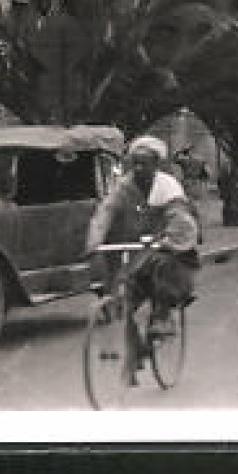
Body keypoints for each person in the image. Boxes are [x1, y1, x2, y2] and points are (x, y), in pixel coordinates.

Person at [85, 136, 200, 383]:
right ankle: (134, 350)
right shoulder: (123, 188)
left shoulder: (168, 187)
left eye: (144, 164)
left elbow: (179, 216)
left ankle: (163, 316)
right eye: (134, 163)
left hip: (166, 246)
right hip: (136, 248)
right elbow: (105, 212)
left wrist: (171, 238)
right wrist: (94, 241)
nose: (138, 169)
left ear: (156, 165)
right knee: (121, 295)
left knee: (163, 268)